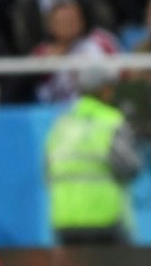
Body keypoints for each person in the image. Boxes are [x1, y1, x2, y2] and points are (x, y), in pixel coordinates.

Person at [45, 64, 141, 245]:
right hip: (104, 218)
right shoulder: (111, 121)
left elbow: (47, 171)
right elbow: (130, 168)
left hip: (65, 219)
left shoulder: (62, 123)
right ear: (105, 90)